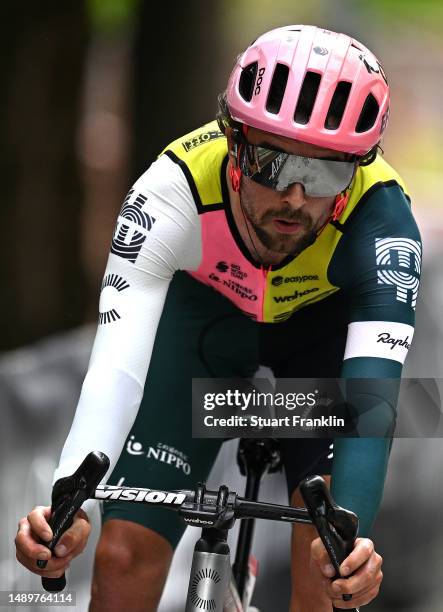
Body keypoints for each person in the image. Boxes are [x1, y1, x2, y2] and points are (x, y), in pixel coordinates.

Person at [15, 25, 421, 611]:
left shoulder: (384, 222)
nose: (297, 197)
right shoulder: (169, 192)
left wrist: (350, 546)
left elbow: (372, 397)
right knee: (123, 554)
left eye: (328, 172)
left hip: (321, 341)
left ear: (357, 170)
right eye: (273, 165)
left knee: (327, 563)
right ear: (234, 147)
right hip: (204, 321)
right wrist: (69, 504)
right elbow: (115, 372)